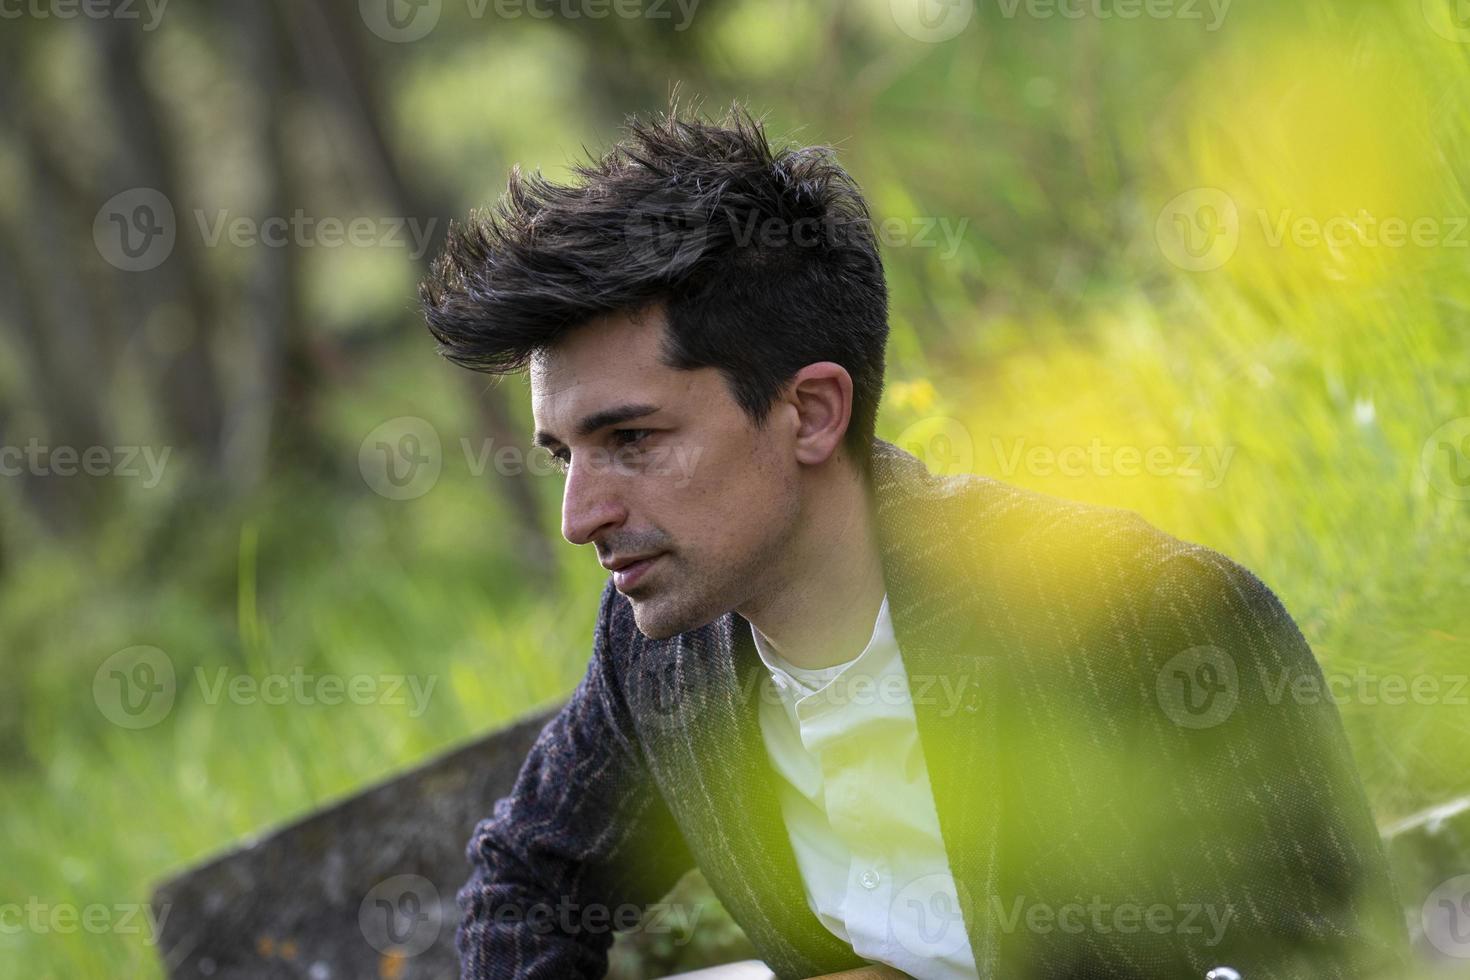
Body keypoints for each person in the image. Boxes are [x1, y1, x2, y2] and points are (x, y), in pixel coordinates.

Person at [418, 103, 1408, 979]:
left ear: (809, 412)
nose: (579, 514)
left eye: (630, 439)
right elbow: (524, 880)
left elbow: (1340, 951)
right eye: (564, 455)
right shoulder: (659, 653)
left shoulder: (1148, 621)